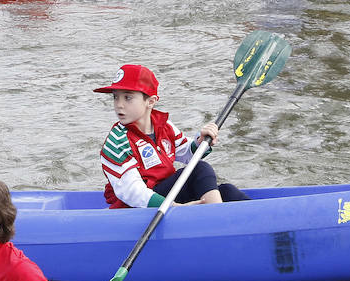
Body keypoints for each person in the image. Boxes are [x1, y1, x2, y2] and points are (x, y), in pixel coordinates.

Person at [95, 63, 248, 209]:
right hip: (139, 208)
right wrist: (175, 208)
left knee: (227, 192)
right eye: (115, 97)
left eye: (127, 97)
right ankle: (218, 221)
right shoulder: (116, 142)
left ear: (151, 101)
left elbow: (186, 153)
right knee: (199, 169)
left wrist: (201, 141)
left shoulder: (164, 126)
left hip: (168, 196)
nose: (119, 105)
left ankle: (269, 226)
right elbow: (133, 193)